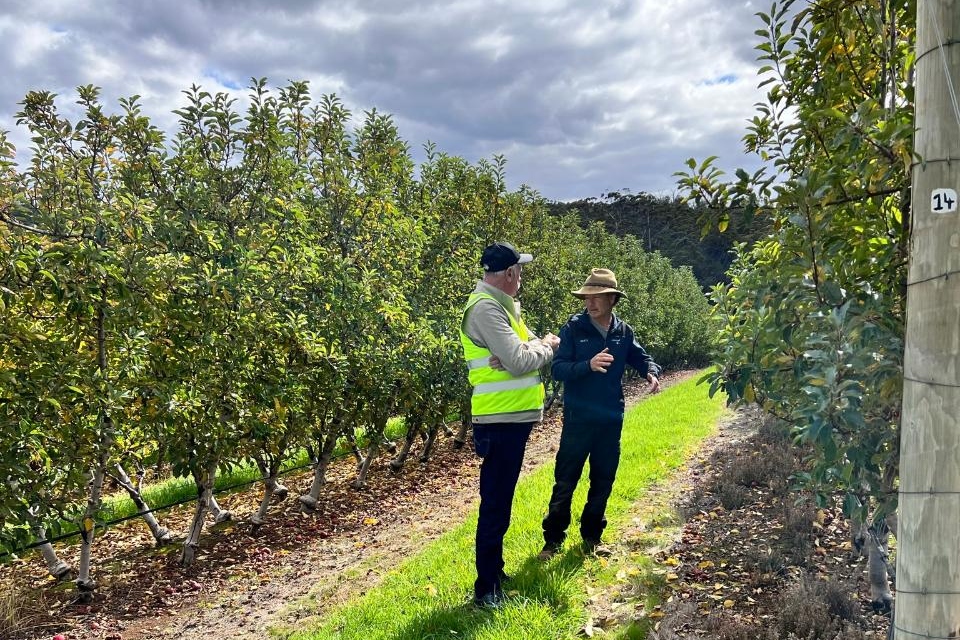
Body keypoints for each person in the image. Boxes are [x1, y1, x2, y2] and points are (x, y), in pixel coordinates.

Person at [459, 241, 560, 608]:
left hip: (511, 418)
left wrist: (527, 350)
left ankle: (495, 572)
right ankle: (486, 589)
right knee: (495, 503)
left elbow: (523, 349)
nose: (521, 278)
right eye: (519, 271)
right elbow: (521, 359)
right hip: (499, 418)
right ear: (510, 274)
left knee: (501, 501)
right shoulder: (486, 310)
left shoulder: (505, 308)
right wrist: (543, 347)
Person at [539, 268, 661, 559]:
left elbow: (641, 357)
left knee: (603, 479)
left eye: (596, 297)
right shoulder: (573, 329)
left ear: (612, 300)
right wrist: (587, 365)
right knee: (566, 479)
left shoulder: (622, 332)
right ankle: (553, 540)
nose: (590, 303)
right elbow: (557, 370)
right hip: (578, 419)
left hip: (610, 419)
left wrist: (651, 373)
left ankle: (592, 536)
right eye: (586, 298)